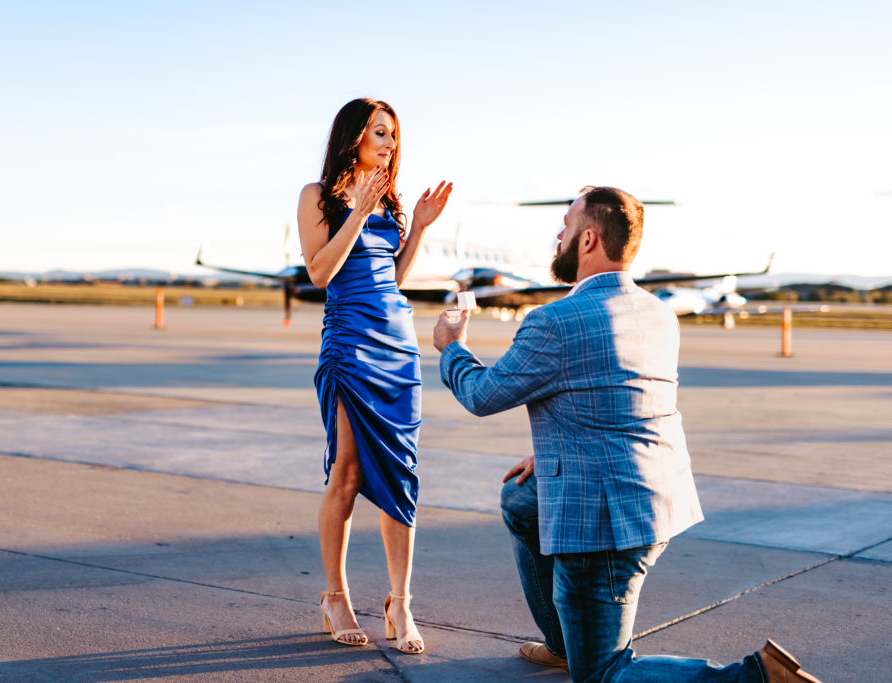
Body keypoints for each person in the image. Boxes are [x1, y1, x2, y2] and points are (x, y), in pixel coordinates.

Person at [432, 186, 820, 681]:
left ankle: (753, 677)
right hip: (656, 492)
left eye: (566, 226)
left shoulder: (554, 320)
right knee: (521, 499)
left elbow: (483, 395)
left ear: (589, 239)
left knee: (604, 674)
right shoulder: (658, 312)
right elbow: (617, 395)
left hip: (604, 520)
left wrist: (450, 348)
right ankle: (564, 642)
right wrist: (549, 450)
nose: (558, 235)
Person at [297, 98, 452, 653]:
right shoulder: (317, 197)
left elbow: (394, 277)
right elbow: (320, 272)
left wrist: (419, 231)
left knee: (401, 475)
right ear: (352, 138)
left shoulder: (391, 201)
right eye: (378, 133)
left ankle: (400, 603)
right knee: (346, 471)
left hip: (398, 348)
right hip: (350, 348)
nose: (388, 143)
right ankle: (335, 595)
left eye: (393, 135)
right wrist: (357, 212)